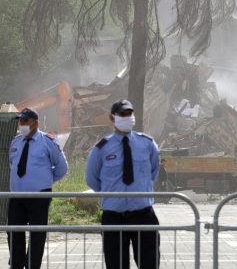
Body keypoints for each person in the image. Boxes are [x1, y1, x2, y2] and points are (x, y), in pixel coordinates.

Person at [86, 99, 161, 269]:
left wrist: (140, 189)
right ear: (112, 118)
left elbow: (153, 172)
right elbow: (92, 178)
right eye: (122, 114)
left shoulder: (147, 144)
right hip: (114, 216)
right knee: (116, 265)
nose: (127, 117)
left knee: (149, 264)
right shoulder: (101, 148)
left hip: (143, 215)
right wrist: (112, 194)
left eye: (129, 113)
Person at [7, 108, 68, 269]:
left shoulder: (48, 142)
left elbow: (62, 168)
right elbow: (12, 165)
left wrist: (45, 181)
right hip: (17, 196)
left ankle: (33, 265)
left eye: (25, 121)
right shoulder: (15, 142)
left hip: (39, 196)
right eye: (20, 121)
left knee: (37, 234)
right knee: (13, 231)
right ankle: (17, 264)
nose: (22, 124)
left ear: (35, 123)